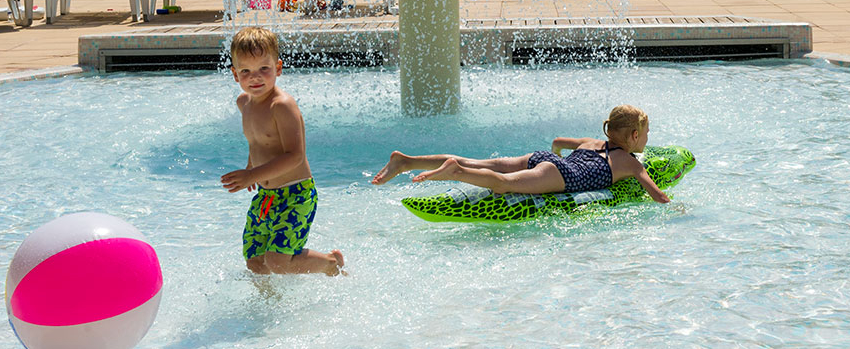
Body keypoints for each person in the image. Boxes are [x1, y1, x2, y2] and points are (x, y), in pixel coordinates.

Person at [220, 27, 345, 275]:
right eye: (246, 71)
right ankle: (269, 305)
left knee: (277, 262)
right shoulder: (244, 103)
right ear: (235, 74)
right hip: (267, 196)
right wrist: (250, 167)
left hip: (296, 194)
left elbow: (295, 155)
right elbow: (257, 141)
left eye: (263, 69)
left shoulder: (282, 106)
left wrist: (252, 175)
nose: (255, 77)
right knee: (255, 261)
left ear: (278, 68)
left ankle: (330, 263)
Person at [371, 105, 671, 202]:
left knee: (485, 163)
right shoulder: (631, 163)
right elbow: (657, 195)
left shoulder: (592, 141)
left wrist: (554, 154)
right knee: (505, 185)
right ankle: (456, 172)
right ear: (633, 136)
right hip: (561, 176)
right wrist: (676, 207)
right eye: (646, 134)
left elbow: (557, 141)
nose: (647, 139)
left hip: (548, 160)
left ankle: (406, 161)